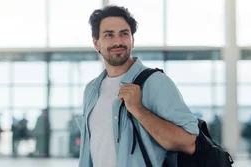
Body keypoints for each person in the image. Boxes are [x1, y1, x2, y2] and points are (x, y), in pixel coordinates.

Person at [78, 6, 199, 167]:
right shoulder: (91, 90)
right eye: (109, 35)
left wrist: (138, 109)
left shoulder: (156, 82)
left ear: (132, 40)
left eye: (124, 33)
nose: (117, 41)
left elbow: (188, 142)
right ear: (96, 43)